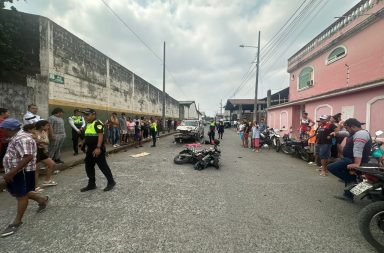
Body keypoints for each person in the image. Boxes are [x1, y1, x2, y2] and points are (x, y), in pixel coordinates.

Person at [0, 119, 49, 238]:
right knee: (20, 192)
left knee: (21, 195)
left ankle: (17, 222)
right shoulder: (17, 136)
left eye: (3, 129)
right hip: (16, 171)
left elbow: (28, 157)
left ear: (10, 129)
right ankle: (41, 200)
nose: (1, 131)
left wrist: (12, 172)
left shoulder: (22, 138)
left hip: (21, 172)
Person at [328, 118, 372, 202]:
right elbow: (345, 133)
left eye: (347, 128)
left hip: (353, 160)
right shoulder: (357, 132)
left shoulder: (360, 134)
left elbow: (358, 149)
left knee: (331, 167)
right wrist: (336, 133)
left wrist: (356, 163)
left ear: (353, 127)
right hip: (350, 159)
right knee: (351, 174)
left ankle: (352, 182)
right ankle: (348, 196)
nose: (346, 130)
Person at [80, 109, 116, 192]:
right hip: (90, 149)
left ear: (93, 115)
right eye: (85, 115)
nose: (86, 117)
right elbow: (88, 135)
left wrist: (98, 148)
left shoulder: (98, 123)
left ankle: (111, 182)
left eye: (87, 115)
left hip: (97, 149)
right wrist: (83, 142)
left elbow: (100, 135)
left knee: (103, 166)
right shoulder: (89, 124)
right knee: (88, 166)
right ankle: (91, 184)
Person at [34, 120, 57, 190]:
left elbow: (46, 142)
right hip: (35, 151)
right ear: (42, 126)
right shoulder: (34, 132)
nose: (49, 127)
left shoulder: (44, 132)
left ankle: (47, 181)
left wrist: (44, 146)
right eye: (47, 125)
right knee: (36, 170)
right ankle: (35, 187)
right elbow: (34, 142)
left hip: (42, 151)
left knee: (52, 164)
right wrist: (41, 142)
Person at [0, 107, 10, 172]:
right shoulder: (3, 121)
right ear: (2, 113)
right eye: (7, 112)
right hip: (3, 141)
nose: (8, 114)